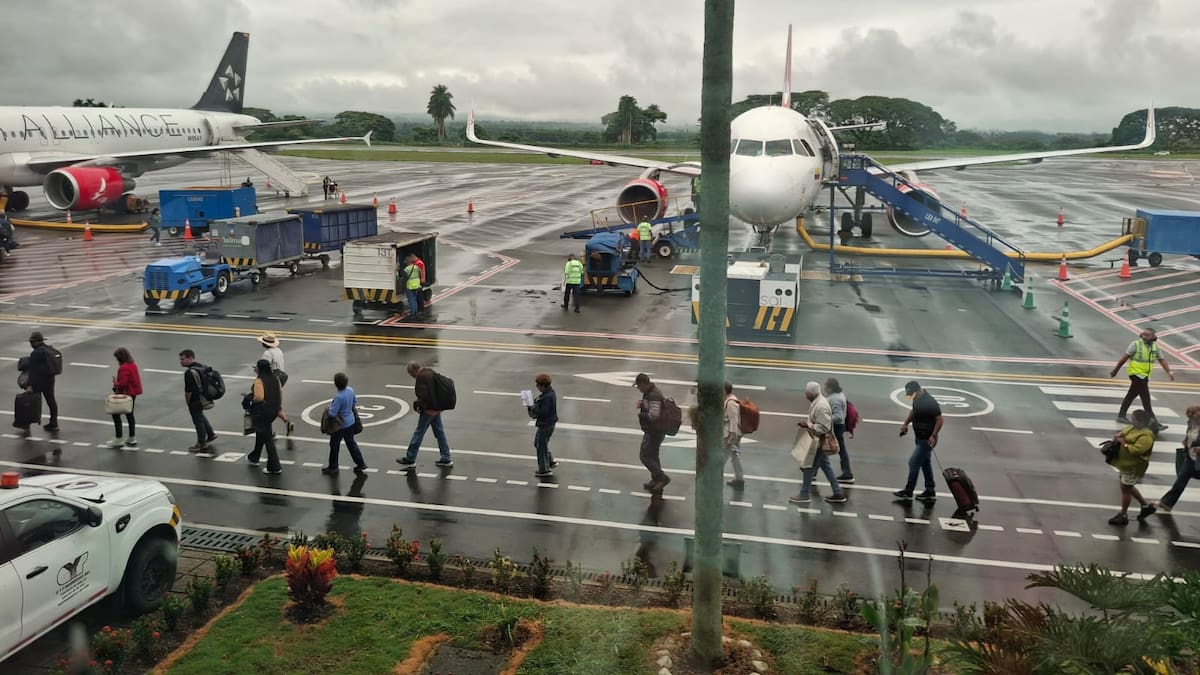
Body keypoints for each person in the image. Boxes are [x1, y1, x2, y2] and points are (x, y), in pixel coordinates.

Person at [790, 381, 847, 504]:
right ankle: (838, 493)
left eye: (806, 392)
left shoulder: (820, 406)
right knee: (825, 467)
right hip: (817, 440)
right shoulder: (818, 401)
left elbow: (824, 427)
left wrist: (808, 425)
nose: (805, 394)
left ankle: (804, 494)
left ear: (810, 394)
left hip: (818, 442)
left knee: (808, 466)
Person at [1111, 328, 1174, 426]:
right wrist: (1115, 370)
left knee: (1131, 395)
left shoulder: (1155, 348)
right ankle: (1154, 423)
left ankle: (1121, 416)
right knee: (1146, 398)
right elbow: (1124, 358)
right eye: (1143, 334)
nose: (1144, 337)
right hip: (1135, 374)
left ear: (1153, 337)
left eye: (1147, 335)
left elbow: (1162, 360)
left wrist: (1169, 372)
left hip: (1145, 376)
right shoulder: (1135, 344)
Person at [396, 361, 453, 468]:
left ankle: (410, 458)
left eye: (410, 374)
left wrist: (417, 404)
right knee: (439, 433)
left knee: (419, 433)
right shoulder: (429, 371)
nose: (411, 376)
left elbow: (424, 397)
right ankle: (446, 457)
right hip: (437, 408)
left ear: (413, 370)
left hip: (429, 410)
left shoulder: (421, 377)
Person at [894, 380, 942, 504]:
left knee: (913, 462)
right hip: (919, 437)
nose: (911, 397)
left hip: (927, 439)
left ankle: (908, 491)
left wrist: (934, 435)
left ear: (918, 390)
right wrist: (905, 424)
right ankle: (930, 490)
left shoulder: (930, 402)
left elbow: (940, 419)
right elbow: (914, 411)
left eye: (912, 394)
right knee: (925, 464)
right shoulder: (917, 399)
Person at [1108, 409, 1156, 525]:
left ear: (1141, 422)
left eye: (1133, 419)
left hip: (1133, 466)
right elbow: (1125, 431)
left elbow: (1136, 450)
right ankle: (1145, 506)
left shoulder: (1146, 436)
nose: (1131, 421)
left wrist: (1124, 443)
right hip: (1125, 464)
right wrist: (1119, 435)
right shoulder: (1133, 428)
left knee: (1125, 489)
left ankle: (1123, 514)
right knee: (1127, 486)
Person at [1150, 406, 1200, 516]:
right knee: (1180, 481)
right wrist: (1186, 441)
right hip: (1191, 459)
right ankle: (1166, 503)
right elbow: (1190, 435)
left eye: (1193, 416)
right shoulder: (1191, 424)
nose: (1192, 419)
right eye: (1190, 417)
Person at [324, 372, 367, 476]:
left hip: (340, 425)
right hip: (350, 422)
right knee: (351, 444)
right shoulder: (350, 390)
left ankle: (333, 467)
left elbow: (332, 413)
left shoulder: (339, 397)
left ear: (336, 384)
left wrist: (327, 409)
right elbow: (354, 402)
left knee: (334, 445)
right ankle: (361, 463)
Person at [634, 373, 670, 492]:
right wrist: (643, 404)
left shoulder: (653, 395)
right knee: (653, 456)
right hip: (654, 430)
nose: (638, 388)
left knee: (644, 456)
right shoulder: (650, 393)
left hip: (654, 431)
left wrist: (642, 414)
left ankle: (661, 477)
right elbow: (653, 407)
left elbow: (654, 415)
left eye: (639, 386)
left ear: (644, 384)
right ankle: (656, 479)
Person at [246, 359, 283, 474]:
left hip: (263, 412)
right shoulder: (275, 379)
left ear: (260, 369)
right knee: (262, 432)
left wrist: (252, 400)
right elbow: (280, 393)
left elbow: (259, 397)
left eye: (256, 367)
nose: (255, 369)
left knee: (268, 439)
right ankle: (254, 457)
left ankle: (274, 466)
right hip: (273, 409)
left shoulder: (259, 381)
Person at [179, 349, 216, 451]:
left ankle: (202, 443)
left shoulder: (189, 372)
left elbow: (188, 391)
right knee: (200, 416)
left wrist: (188, 402)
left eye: (183, 359)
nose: (181, 361)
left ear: (190, 358)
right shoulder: (202, 367)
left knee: (198, 421)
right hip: (205, 397)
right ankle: (211, 434)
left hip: (195, 400)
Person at [258, 332, 294, 435]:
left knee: (266, 405)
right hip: (281, 377)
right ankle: (287, 421)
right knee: (275, 403)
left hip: (271, 380)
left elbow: (264, 368)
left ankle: (269, 430)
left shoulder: (267, 354)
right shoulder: (278, 350)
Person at [24, 332, 59, 432]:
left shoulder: (36, 353)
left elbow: (33, 371)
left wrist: (29, 385)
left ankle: (26, 423)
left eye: (31, 342)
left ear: (35, 342)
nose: (30, 344)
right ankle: (54, 423)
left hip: (39, 381)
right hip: (50, 379)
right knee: (51, 401)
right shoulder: (49, 349)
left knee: (29, 401)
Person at [107, 347, 142, 448]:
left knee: (116, 414)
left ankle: (118, 438)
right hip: (133, 393)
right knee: (130, 415)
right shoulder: (133, 364)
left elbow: (122, 384)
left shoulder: (123, 368)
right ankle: (132, 437)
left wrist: (115, 385)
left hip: (126, 394)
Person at [528, 373, 559, 477]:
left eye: (538, 385)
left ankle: (544, 469)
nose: (537, 387)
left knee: (541, 446)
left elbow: (543, 412)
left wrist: (533, 407)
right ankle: (550, 461)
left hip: (545, 424)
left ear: (543, 385)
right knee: (539, 443)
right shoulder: (550, 393)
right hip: (548, 423)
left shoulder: (547, 397)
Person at [825, 377, 854, 483]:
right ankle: (847, 472)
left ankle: (847, 473)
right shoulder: (839, 395)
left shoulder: (834, 399)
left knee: (823, 448)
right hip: (838, 426)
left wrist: (825, 419)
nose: (824, 388)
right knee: (841, 449)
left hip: (835, 427)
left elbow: (839, 416)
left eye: (826, 386)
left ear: (830, 388)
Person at [723, 382, 746, 489]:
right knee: (735, 455)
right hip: (736, 434)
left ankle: (715, 477)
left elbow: (733, 420)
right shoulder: (731, 399)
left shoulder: (730, 403)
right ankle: (739, 478)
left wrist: (732, 437)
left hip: (731, 435)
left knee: (722, 456)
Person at [401, 253, 424, 318]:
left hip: (410, 286)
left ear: (407, 262)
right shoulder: (417, 267)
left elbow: (404, 279)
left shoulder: (406, 269)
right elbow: (419, 275)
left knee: (411, 300)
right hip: (416, 285)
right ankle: (416, 311)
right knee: (414, 299)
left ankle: (413, 313)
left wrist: (403, 289)